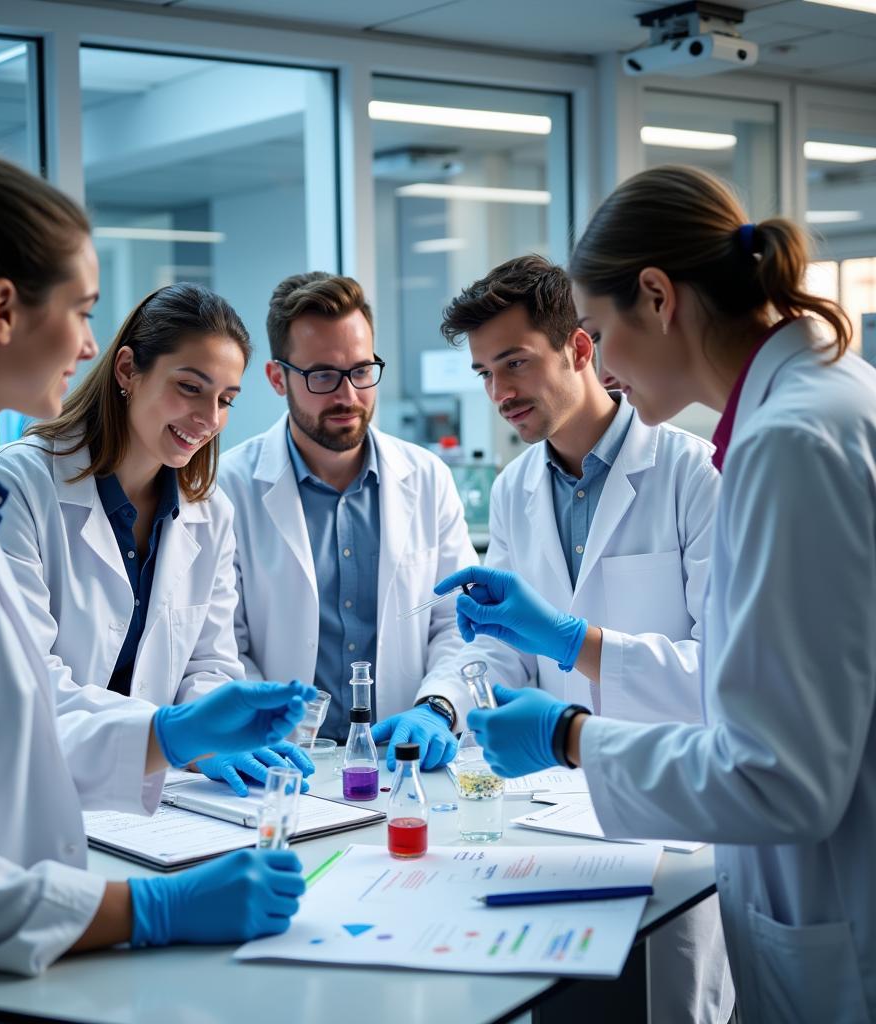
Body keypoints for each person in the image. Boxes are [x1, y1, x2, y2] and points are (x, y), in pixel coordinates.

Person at [0, 129, 313, 976]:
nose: (90, 345)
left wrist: (181, 731)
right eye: (83, 309)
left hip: (28, 921)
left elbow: (21, 736)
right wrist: (153, 907)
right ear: (0, 311)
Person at [440, 165, 874, 1024]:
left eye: (596, 329)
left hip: (822, 901)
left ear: (657, 296)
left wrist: (570, 735)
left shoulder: (784, 443)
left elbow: (776, 774)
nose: (602, 358)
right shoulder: (823, 401)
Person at [440, 253, 732, 1024]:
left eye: (515, 363)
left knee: (667, 1003)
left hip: (677, 818)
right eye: (483, 373)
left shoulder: (692, 472)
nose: (500, 393)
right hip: (553, 819)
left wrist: (577, 640)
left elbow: (723, 675)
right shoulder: (512, 489)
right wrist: (462, 695)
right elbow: (504, 648)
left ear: (579, 347)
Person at [0, 283, 313, 797]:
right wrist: (173, 735)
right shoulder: (24, 482)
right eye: (189, 387)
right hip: (34, 785)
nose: (209, 419)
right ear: (126, 371)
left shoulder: (210, 512)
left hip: (155, 797)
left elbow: (209, 663)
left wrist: (211, 739)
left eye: (225, 399)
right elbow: (25, 678)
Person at [217, 272, 477, 770]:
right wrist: (265, 727)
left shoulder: (427, 479)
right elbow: (224, 644)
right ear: (277, 378)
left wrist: (438, 706)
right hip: (286, 760)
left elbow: (455, 625)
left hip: (404, 759)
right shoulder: (229, 489)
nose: (348, 396)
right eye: (322, 376)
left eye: (361, 371)